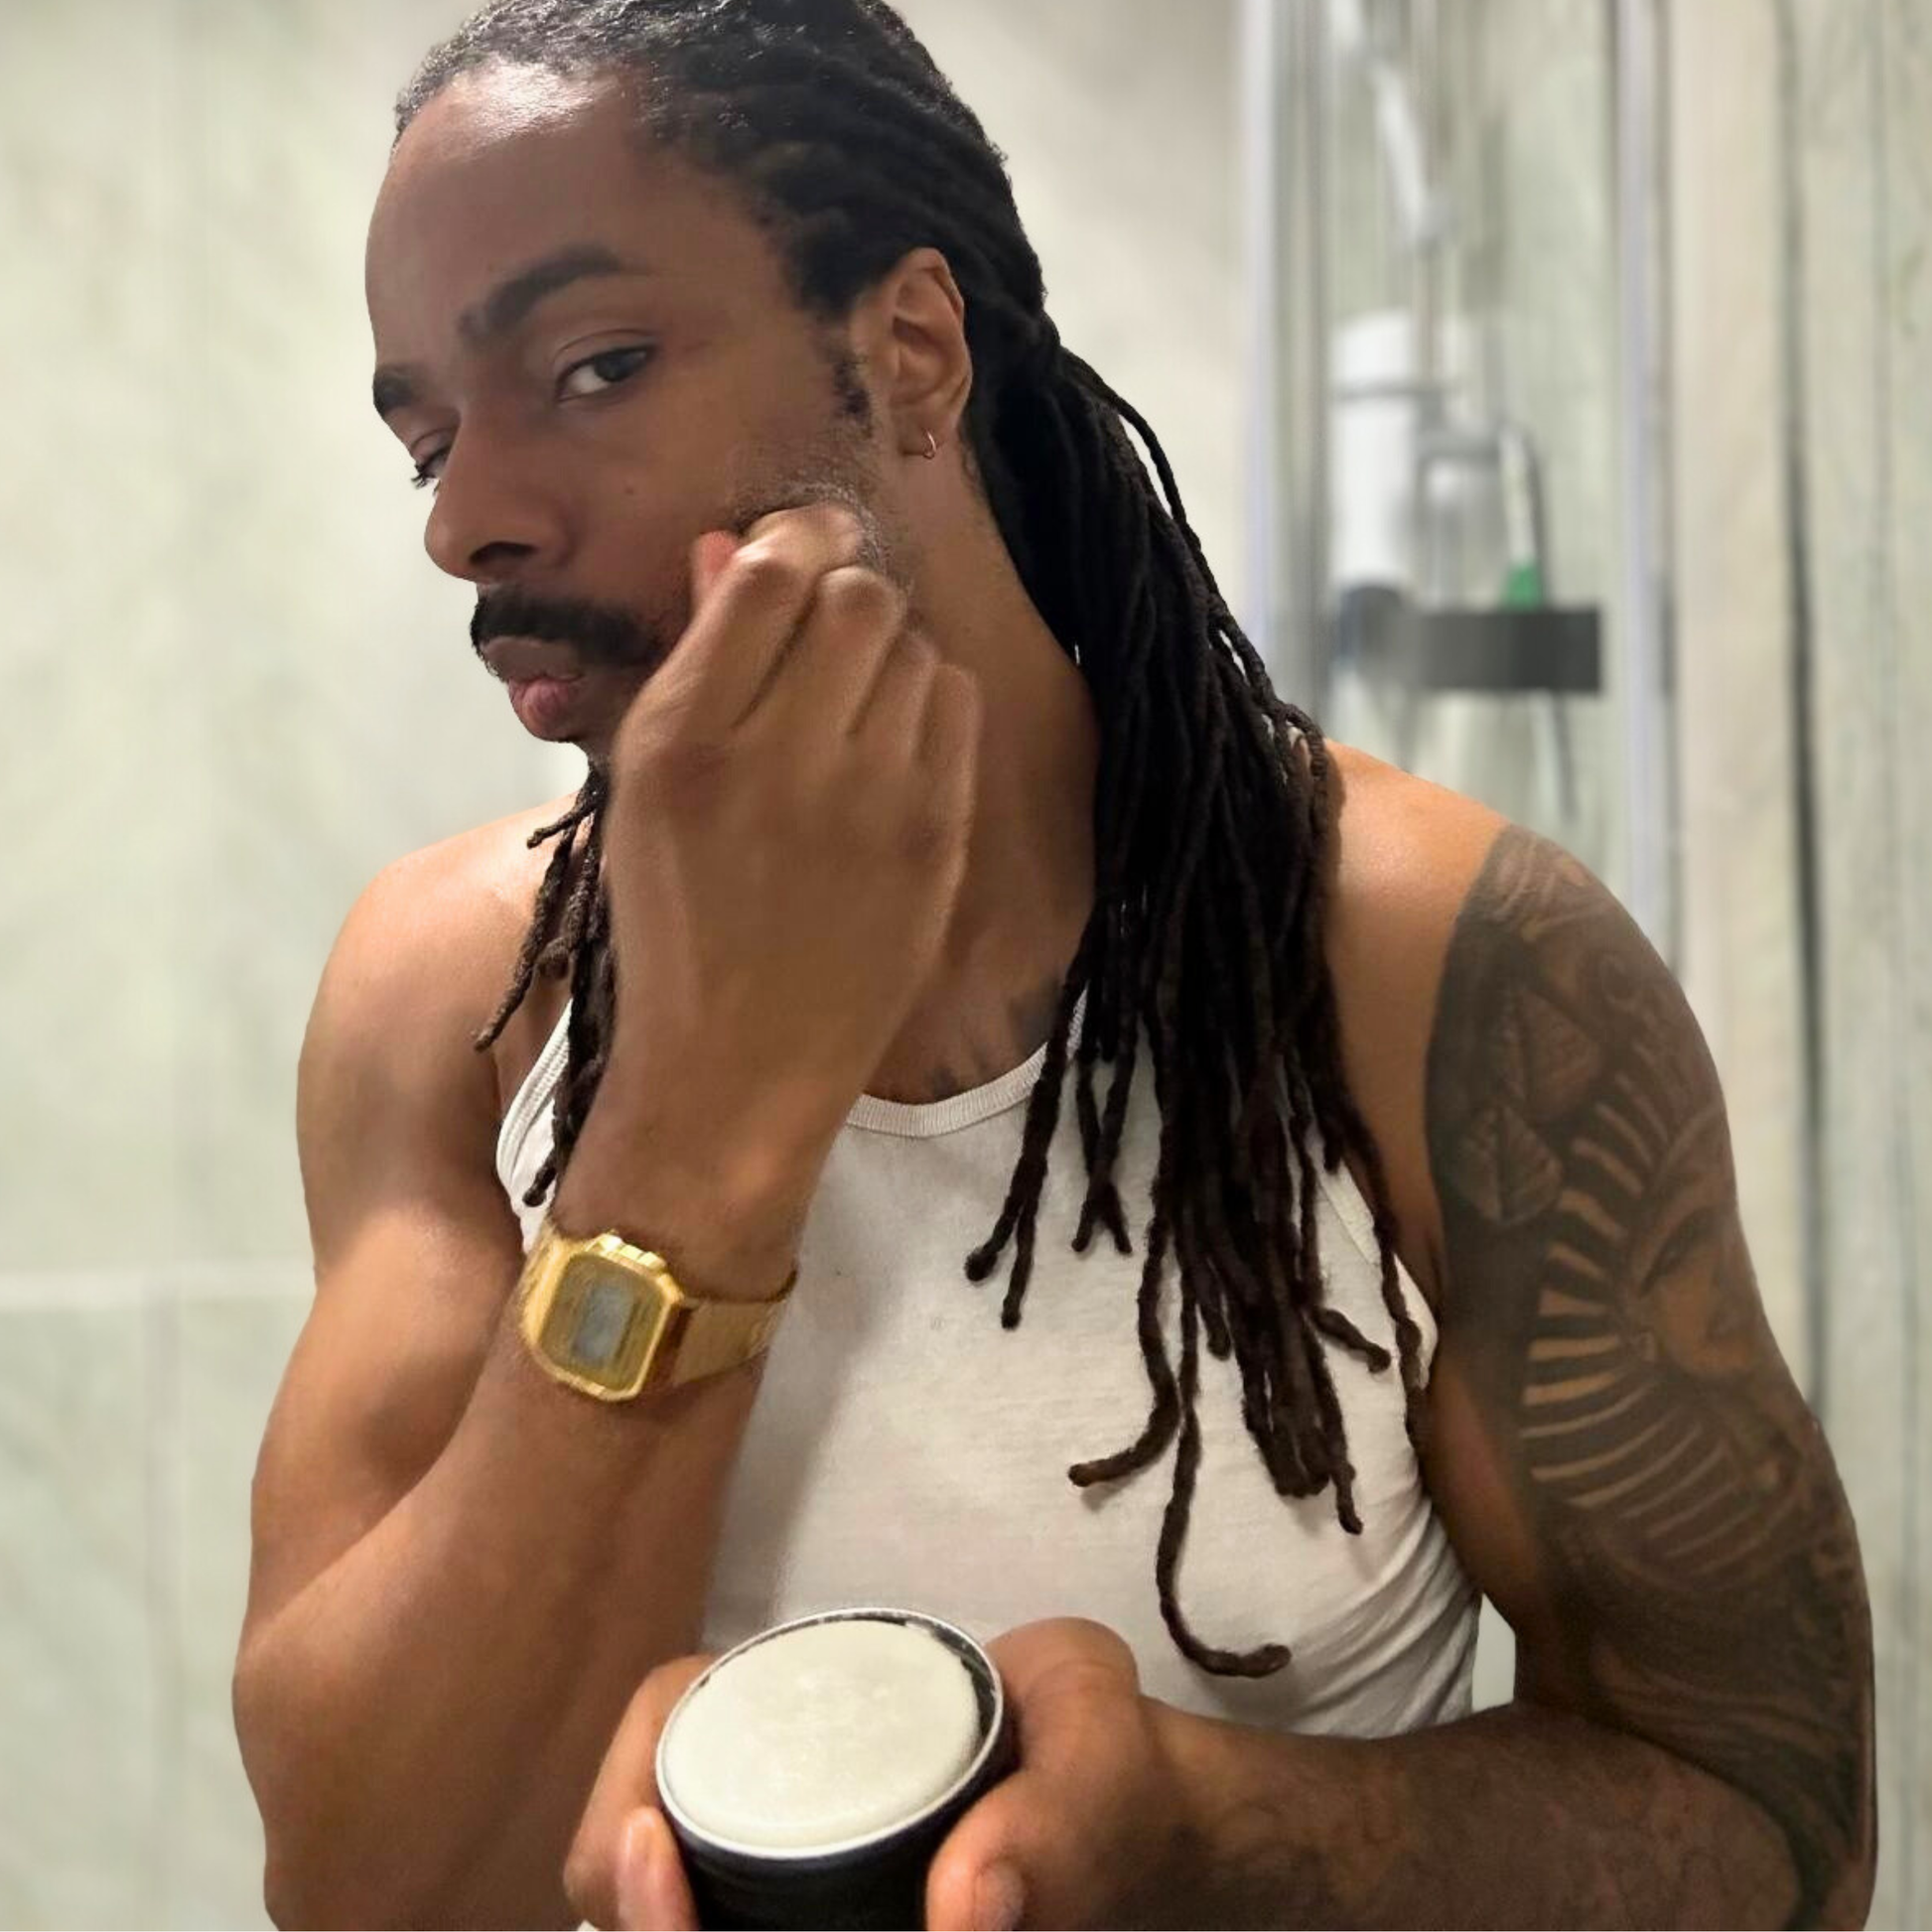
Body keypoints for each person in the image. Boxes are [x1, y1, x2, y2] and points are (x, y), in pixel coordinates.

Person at [230, 3, 1876, 1927]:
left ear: (910, 351)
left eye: (593, 366)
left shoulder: (1418, 963)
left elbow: (1774, 1824)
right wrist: (685, 1137)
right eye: (428, 440)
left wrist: (1206, 1828)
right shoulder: (453, 1001)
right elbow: (366, 1888)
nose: (466, 520)